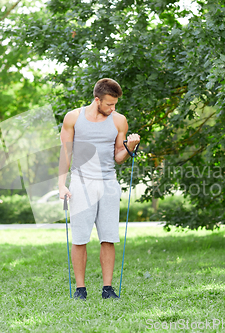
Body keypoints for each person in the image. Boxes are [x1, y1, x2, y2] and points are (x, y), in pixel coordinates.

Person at [58, 78, 140, 300]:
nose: (113, 108)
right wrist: (61, 184)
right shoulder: (73, 118)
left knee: (108, 237)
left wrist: (129, 148)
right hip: (81, 183)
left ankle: (107, 289)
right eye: (109, 104)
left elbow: (118, 157)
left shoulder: (119, 121)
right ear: (97, 99)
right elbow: (65, 153)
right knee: (80, 238)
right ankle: (80, 289)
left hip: (108, 183)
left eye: (115, 104)